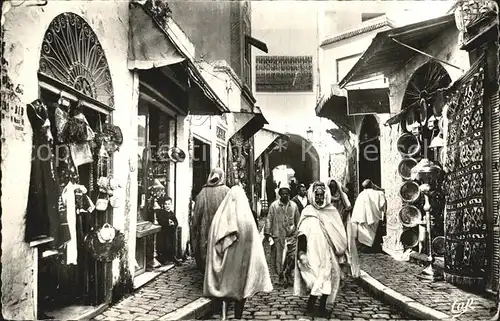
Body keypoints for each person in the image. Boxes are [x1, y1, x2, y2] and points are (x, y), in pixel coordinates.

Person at [204, 184, 273, 320]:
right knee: (241, 290)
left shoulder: (221, 217)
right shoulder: (247, 219)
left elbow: (217, 241)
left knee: (225, 288)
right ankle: (238, 316)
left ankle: (224, 315)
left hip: (227, 261)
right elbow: (254, 243)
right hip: (242, 263)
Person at [293, 182, 348, 317]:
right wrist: (301, 253)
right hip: (311, 252)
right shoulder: (308, 211)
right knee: (313, 279)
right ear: (312, 195)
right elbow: (302, 234)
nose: (319, 198)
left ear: (326, 195)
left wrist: (339, 251)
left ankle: (322, 307)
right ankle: (311, 304)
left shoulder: (332, 212)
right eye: (316, 195)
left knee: (327, 278)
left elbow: (338, 233)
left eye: (321, 195)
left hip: (327, 254)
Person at [191, 168, 230, 271]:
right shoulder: (227, 192)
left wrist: (194, 235)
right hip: (223, 232)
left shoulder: (202, 192)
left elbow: (196, 218)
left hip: (206, 232)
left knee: (207, 259)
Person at [265, 184, 300, 287]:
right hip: (278, 235)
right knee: (279, 258)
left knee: (292, 256)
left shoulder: (293, 206)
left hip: (291, 236)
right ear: (280, 194)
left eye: (287, 193)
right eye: (283, 193)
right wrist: (267, 232)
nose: (285, 195)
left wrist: (298, 232)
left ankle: (288, 273)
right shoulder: (274, 206)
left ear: (289, 194)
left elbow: (298, 220)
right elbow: (269, 219)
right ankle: (280, 276)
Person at [327, 178, 360, 279]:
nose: (332, 189)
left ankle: (343, 268)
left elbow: (349, 207)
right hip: (331, 223)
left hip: (341, 223)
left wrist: (342, 216)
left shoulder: (342, 196)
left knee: (342, 244)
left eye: (334, 186)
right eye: (330, 187)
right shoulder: (327, 196)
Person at [351, 179, 387, 252]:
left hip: (363, 218)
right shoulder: (379, 193)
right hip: (375, 216)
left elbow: (357, 208)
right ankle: (374, 247)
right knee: (374, 233)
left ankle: (366, 247)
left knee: (366, 233)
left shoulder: (361, 194)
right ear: (372, 185)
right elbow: (382, 205)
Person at [156, 196, 181, 265]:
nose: (167, 206)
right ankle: (164, 258)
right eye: (166, 204)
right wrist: (167, 221)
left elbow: (176, 222)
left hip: (171, 233)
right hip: (164, 233)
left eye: (169, 204)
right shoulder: (162, 212)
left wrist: (173, 224)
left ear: (171, 205)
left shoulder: (171, 213)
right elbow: (160, 220)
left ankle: (172, 257)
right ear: (163, 205)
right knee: (164, 245)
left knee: (171, 245)